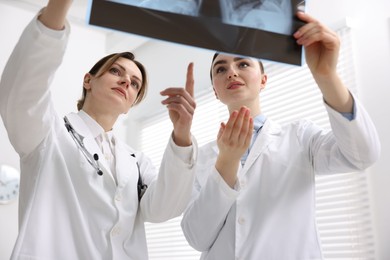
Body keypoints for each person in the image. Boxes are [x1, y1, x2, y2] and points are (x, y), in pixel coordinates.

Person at [0, 0, 197, 259]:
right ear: (88, 80)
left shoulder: (136, 163)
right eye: (116, 71)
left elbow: (163, 208)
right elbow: (24, 91)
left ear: (130, 106)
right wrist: (58, 8)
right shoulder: (47, 134)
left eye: (135, 84)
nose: (126, 81)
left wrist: (182, 135)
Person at [180, 11, 381, 259]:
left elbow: (362, 155)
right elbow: (196, 237)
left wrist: (327, 77)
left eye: (243, 64)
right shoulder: (200, 157)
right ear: (215, 92)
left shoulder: (300, 136)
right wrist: (226, 162)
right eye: (220, 69)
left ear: (263, 80)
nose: (231, 72)